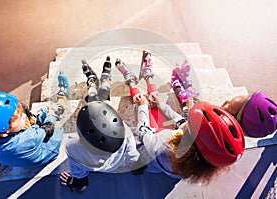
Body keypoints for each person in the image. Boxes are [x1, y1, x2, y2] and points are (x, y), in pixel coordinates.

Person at [116, 50, 245, 183]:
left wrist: (143, 105)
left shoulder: (164, 146)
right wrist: (161, 105)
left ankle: (131, 80)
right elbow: (181, 123)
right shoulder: (201, 158)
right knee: (155, 101)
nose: (187, 122)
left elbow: (144, 133)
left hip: (149, 152)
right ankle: (145, 76)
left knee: (143, 104)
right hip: (163, 157)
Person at [59, 57, 140, 194]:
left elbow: (81, 180)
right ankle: (103, 80)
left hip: (100, 166)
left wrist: (74, 185)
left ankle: (94, 82)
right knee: (98, 102)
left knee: (93, 102)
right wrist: (138, 169)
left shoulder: (74, 149)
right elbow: (134, 159)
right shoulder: (125, 134)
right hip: (115, 165)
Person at [0, 74, 68, 168]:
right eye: (20, 117)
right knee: (53, 117)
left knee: (33, 117)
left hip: (15, 157)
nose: (24, 115)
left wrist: (29, 115)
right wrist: (51, 116)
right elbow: (47, 128)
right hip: (47, 153)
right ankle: (62, 101)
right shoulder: (30, 137)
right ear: (3, 133)